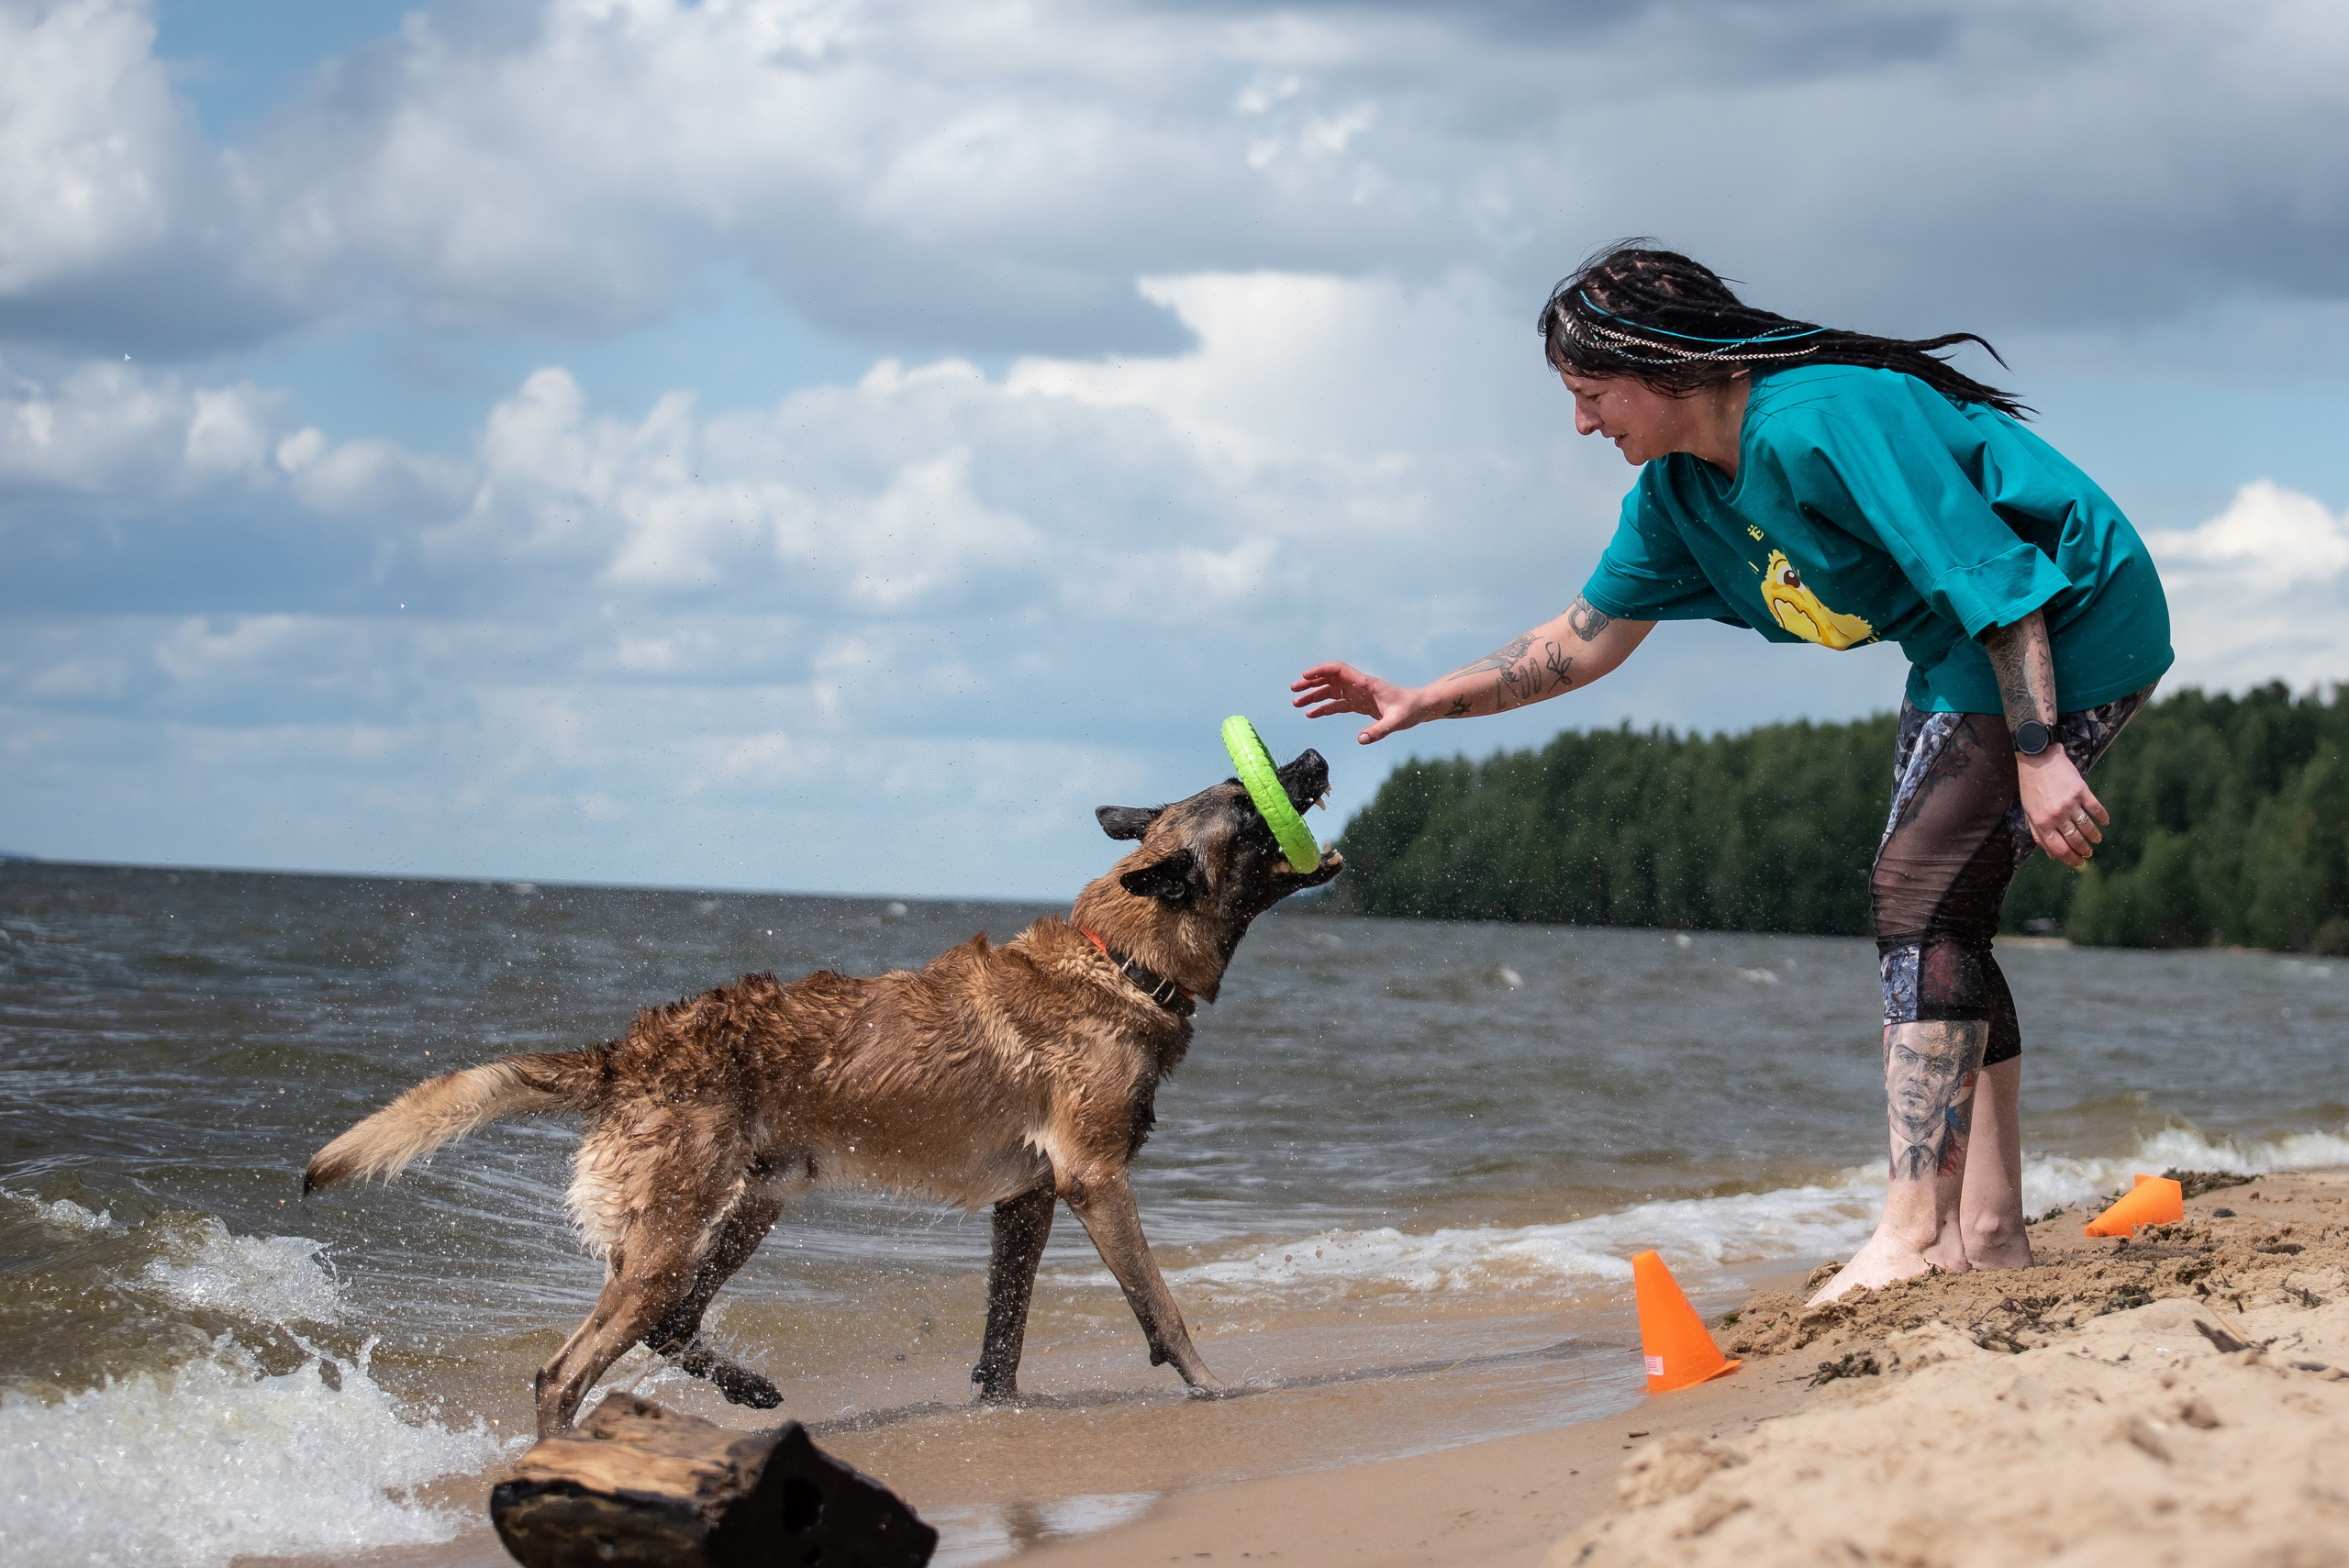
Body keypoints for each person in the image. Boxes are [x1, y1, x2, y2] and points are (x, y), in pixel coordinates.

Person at [1291, 243, 2172, 1304]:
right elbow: (1581, 640)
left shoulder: (1820, 419)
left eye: (1589, 394)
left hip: (2071, 614)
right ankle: (1982, 1229)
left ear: (1660, 362)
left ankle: (1911, 1229)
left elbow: (2002, 583)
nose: (1580, 423)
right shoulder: (1675, 497)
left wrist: (2038, 755)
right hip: (1959, 645)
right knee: (1941, 901)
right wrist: (1424, 696)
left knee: (1918, 889)